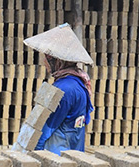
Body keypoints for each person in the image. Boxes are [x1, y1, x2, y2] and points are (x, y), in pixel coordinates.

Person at [24, 24, 95, 155]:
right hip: (74, 150)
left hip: (58, 154)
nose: (44, 63)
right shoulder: (78, 83)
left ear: (57, 60)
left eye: (47, 58)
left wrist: (35, 154)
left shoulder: (64, 88)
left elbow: (46, 127)